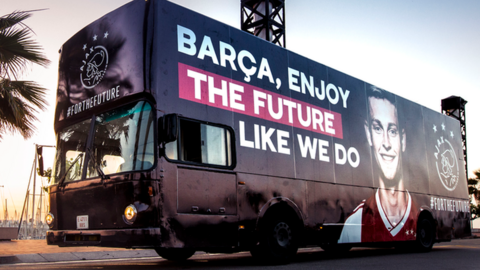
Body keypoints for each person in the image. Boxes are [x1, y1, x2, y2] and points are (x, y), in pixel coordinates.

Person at [338, 86, 419, 243]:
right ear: (368, 135)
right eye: (377, 128)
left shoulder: (417, 210)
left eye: (393, 130)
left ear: (403, 139)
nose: (386, 143)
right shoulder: (353, 223)